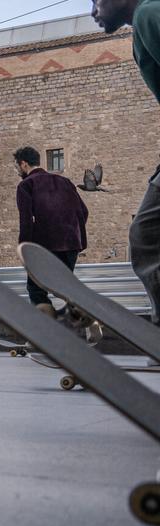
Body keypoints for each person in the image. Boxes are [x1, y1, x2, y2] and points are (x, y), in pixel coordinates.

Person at [93, 0, 160, 364]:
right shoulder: (144, 26)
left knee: (148, 236)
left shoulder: (151, 14)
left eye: (95, 1)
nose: (93, 11)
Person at [13, 146, 90, 307]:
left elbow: (26, 221)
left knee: (36, 289)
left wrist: (24, 249)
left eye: (17, 167)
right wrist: (74, 235)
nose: (17, 171)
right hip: (70, 244)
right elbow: (83, 211)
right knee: (67, 288)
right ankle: (83, 318)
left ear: (24, 164)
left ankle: (46, 326)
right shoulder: (65, 182)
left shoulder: (26, 185)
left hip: (43, 247)